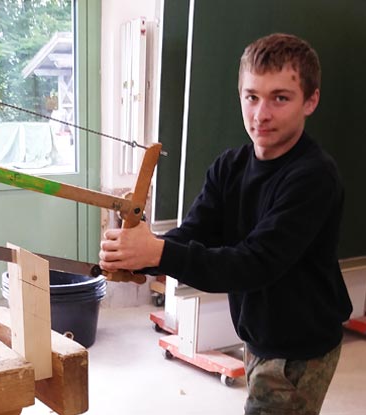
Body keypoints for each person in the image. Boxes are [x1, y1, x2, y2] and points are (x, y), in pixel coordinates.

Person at [99, 33, 352, 415]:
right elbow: (195, 233)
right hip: (260, 334)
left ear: (310, 101)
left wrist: (157, 253)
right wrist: (138, 255)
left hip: (299, 348)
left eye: (280, 98)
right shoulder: (230, 166)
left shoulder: (313, 177)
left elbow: (253, 264)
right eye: (251, 97)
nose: (261, 114)